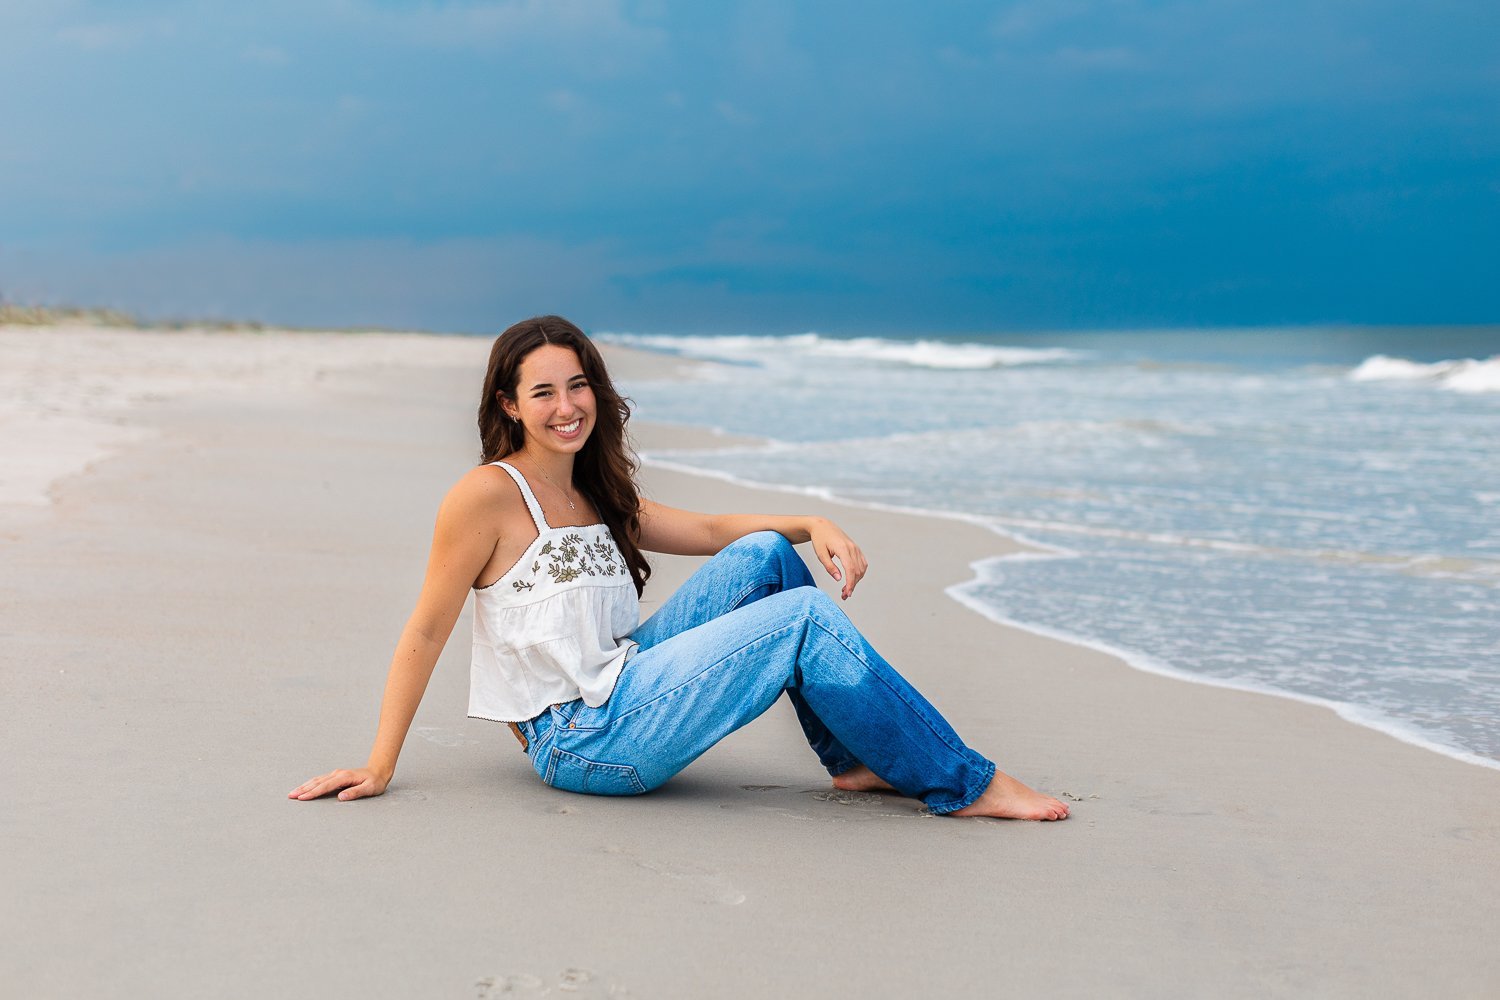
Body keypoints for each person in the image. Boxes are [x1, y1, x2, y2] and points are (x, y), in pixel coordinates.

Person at [289, 316, 1069, 820]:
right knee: (799, 619)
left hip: (624, 681)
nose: (568, 406)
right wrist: (380, 764)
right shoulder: (487, 496)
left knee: (765, 556)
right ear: (510, 403)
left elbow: (708, 529)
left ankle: (855, 760)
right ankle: (964, 783)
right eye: (544, 393)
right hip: (581, 737)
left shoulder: (594, 488)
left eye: (579, 384)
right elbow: (426, 630)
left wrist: (809, 521)